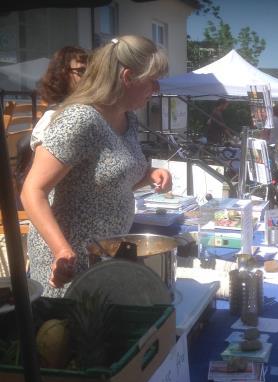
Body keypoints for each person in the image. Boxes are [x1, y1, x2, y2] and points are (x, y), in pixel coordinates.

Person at [20, 35, 171, 297]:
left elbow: (109, 181)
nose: (156, 88)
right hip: (70, 264)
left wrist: (149, 175)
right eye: (151, 80)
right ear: (127, 77)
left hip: (107, 258)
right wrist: (61, 250)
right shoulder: (80, 119)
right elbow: (32, 191)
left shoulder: (129, 120)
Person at [30, 46, 89, 151]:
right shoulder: (52, 121)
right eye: (82, 71)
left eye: (91, 72)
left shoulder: (89, 111)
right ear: (63, 74)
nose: (89, 77)